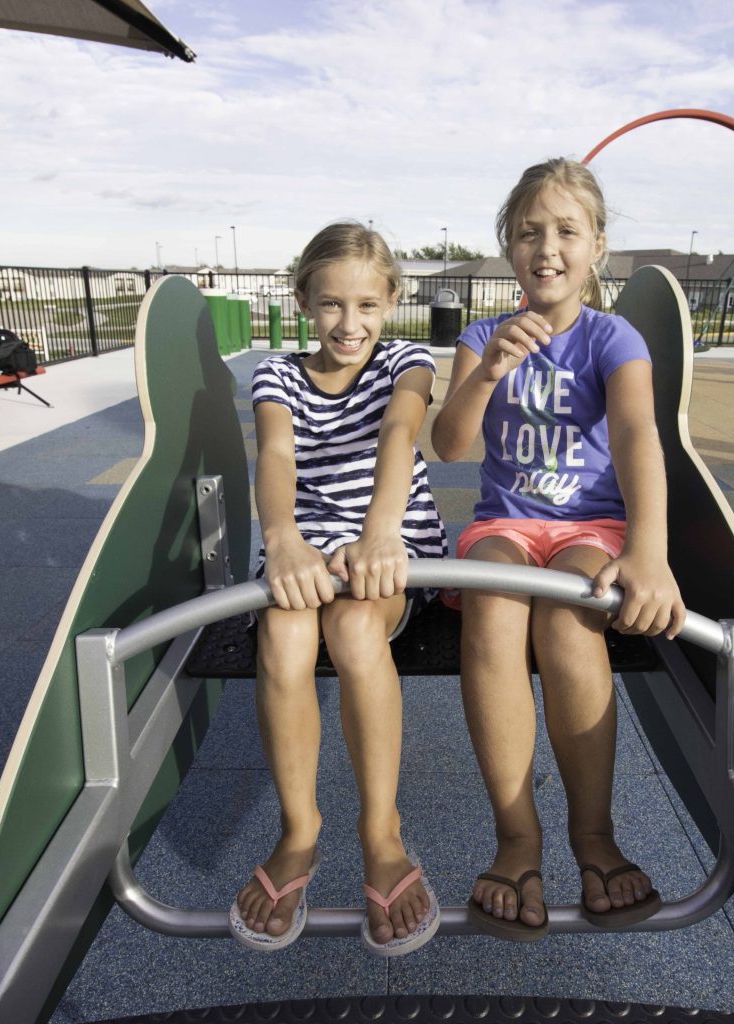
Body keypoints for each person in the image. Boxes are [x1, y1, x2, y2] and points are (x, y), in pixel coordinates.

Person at [431, 158, 685, 941]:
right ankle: (516, 840)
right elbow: (447, 445)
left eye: (567, 231)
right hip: (505, 522)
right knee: (496, 609)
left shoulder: (613, 336)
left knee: (571, 621)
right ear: (509, 249)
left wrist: (649, 552)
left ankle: (592, 835)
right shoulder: (482, 336)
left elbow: (641, 433)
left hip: (590, 528)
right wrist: (488, 373)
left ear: (597, 248)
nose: (548, 246)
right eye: (530, 231)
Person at [230, 222, 446, 956]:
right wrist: (283, 538)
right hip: (306, 546)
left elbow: (398, 435)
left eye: (366, 306)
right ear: (303, 303)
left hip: (387, 545)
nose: (348, 325)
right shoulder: (277, 374)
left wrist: (382, 532)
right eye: (329, 306)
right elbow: (278, 449)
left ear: (390, 302)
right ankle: (300, 830)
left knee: (354, 629)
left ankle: (380, 832)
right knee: (286, 632)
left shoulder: (405, 361)